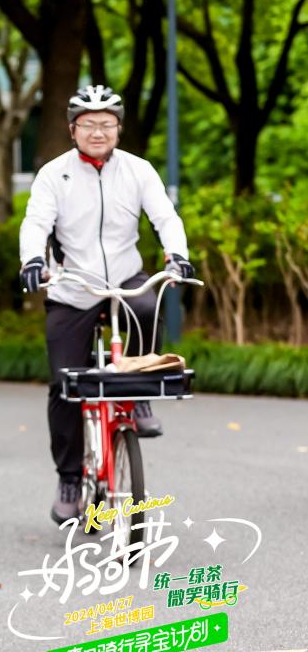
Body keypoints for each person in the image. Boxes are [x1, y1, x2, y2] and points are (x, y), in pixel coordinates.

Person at [19, 85, 192, 525]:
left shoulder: (138, 170)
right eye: (89, 124)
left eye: (107, 124)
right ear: (73, 129)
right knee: (64, 385)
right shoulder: (52, 174)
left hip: (124, 275)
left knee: (149, 305)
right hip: (72, 285)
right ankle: (70, 479)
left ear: (118, 128)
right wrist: (33, 260)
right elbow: (36, 221)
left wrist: (177, 254)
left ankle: (137, 398)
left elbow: (165, 217)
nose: (98, 131)